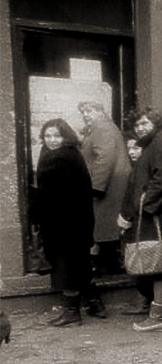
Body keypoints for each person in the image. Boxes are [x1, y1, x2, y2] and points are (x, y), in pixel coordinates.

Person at [117, 107, 162, 332]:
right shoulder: (152, 144)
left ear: (156, 123)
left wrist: (145, 206)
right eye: (137, 125)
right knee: (160, 261)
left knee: (159, 263)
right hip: (156, 214)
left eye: (144, 123)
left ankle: (158, 316)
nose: (140, 128)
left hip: (160, 215)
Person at [31, 119, 101, 326]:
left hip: (65, 223)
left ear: (66, 137)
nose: (52, 140)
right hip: (75, 221)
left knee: (67, 266)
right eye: (47, 136)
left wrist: (35, 214)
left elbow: (48, 195)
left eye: (56, 136)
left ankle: (72, 313)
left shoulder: (58, 158)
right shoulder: (71, 154)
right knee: (78, 263)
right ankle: (94, 303)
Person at [78, 100, 131, 277]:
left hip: (107, 186)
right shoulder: (103, 128)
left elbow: (104, 157)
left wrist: (96, 187)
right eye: (83, 112)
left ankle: (99, 266)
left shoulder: (102, 128)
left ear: (101, 111)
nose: (86, 115)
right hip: (112, 184)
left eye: (90, 110)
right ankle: (108, 264)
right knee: (105, 228)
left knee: (99, 227)